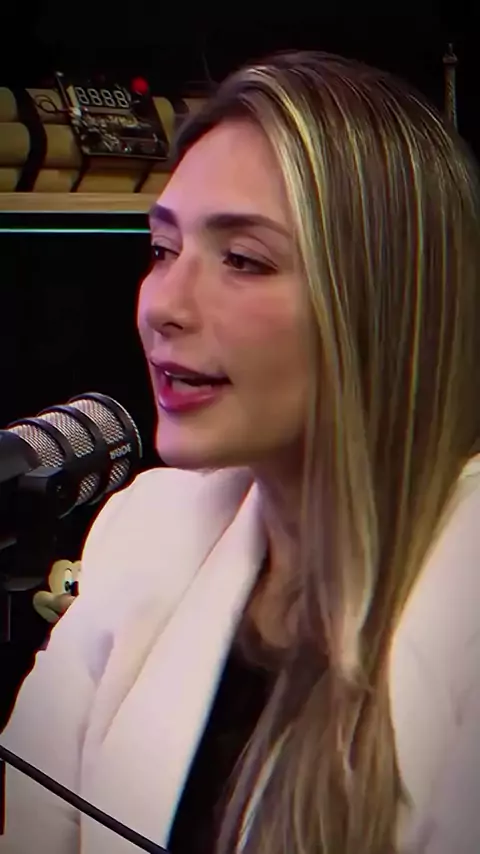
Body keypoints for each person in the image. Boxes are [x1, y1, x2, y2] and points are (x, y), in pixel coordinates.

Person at [1, 50, 480, 854]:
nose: (163, 306)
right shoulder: (145, 530)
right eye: (162, 250)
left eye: (244, 260)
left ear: (386, 301)